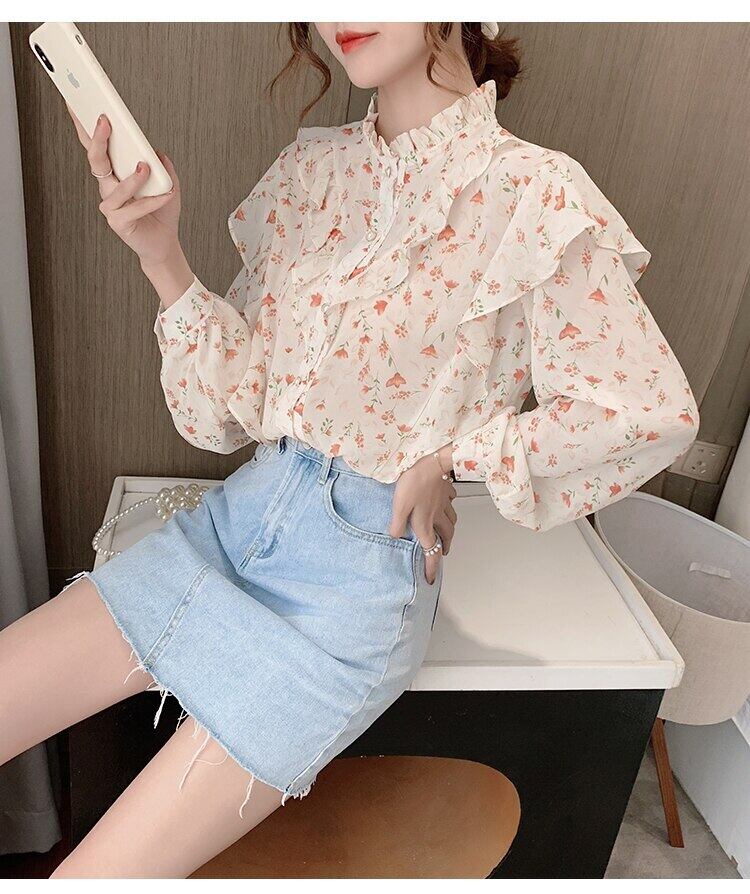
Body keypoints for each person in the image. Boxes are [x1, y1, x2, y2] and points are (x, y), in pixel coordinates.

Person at [0, 22, 699, 878]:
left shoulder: (538, 194)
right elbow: (228, 417)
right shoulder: (313, 171)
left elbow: (649, 409)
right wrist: (162, 256)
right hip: (233, 521)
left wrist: (451, 457)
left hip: (349, 598)